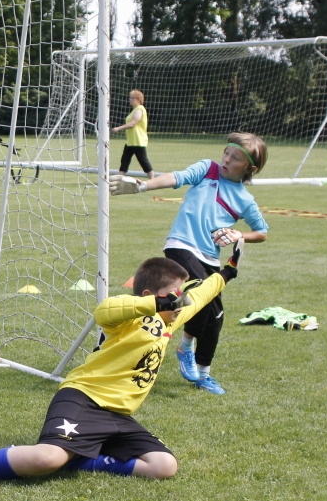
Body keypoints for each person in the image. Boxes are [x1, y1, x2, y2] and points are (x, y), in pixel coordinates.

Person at [0, 247, 243, 483]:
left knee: (163, 466)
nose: (180, 300)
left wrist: (227, 272)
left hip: (117, 415)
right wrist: (151, 304)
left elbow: (202, 294)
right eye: (174, 294)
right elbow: (105, 310)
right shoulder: (127, 315)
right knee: (45, 460)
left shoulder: (174, 315)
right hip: (82, 399)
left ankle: (80, 456)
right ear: (153, 293)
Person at [109, 132, 269, 395]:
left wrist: (238, 234)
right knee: (198, 292)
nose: (227, 159)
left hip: (210, 258)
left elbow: (261, 232)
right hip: (180, 245)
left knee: (215, 315)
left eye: (236, 158)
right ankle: (174, 338)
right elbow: (176, 177)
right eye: (227, 152)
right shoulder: (208, 169)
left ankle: (200, 371)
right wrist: (140, 186)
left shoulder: (245, 200)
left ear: (250, 168)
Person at [111, 89, 154, 179]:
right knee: (125, 160)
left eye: (132, 98)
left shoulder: (140, 109)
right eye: (130, 97)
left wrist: (118, 128)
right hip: (131, 141)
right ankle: (119, 179)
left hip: (138, 141)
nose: (130, 99)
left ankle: (153, 180)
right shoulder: (134, 110)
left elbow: (133, 123)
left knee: (143, 161)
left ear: (138, 99)